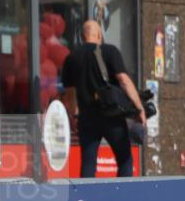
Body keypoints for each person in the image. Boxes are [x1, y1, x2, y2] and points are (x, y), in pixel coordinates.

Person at [62, 20, 145, 177]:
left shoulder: (71, 58)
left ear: (82, 37)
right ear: (99, 34)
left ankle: (87, 198)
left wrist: (74, 114)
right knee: (124, 158)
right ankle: (123, 195)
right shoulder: (109, 51)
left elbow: (70, 92)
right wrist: (139, 107)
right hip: (111, 115)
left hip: (87, 118)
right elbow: (124, 81)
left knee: (88, 161)